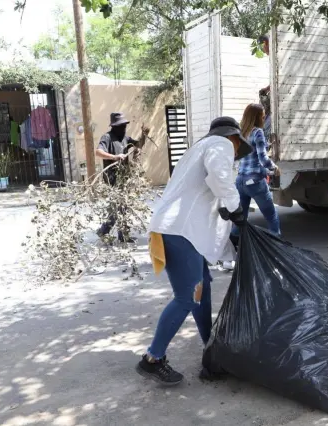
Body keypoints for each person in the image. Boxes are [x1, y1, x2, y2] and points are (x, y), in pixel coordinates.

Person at [136, 116, 252, 385]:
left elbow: (203, 189)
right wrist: (235, 207)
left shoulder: (196, 150)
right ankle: (152, 359)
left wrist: (224, 207)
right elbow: (220, 176)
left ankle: (210, 345)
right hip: (180, 231)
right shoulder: (221, 144)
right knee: (187, 297)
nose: (235, 153)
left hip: (176, 228)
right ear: (233, 137)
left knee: (203, 289)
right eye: (237, 147)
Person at [95, 112, 149, 243]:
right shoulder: (107, 137)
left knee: (123, 206)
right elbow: (98, 152)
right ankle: (104, 231)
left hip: (124, 176)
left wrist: (144, 135)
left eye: (124, 125)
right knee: (117, 206)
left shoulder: (125, 138)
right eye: (121, 126)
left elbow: (138, 145)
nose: (123, 128)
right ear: (114, 126)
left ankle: (122, 235)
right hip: (112, 177)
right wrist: (115, 157)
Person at [233, 103, 281, 238]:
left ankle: (233, 246)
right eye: (262, 114)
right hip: (254, 181)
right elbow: (263, 158)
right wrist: (274, 167)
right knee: (271, 216)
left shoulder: (240, 133)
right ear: (257, 117)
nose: (264, 116)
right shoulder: (257, 132)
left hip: (240, 181)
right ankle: (276, 247)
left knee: (241, 219)